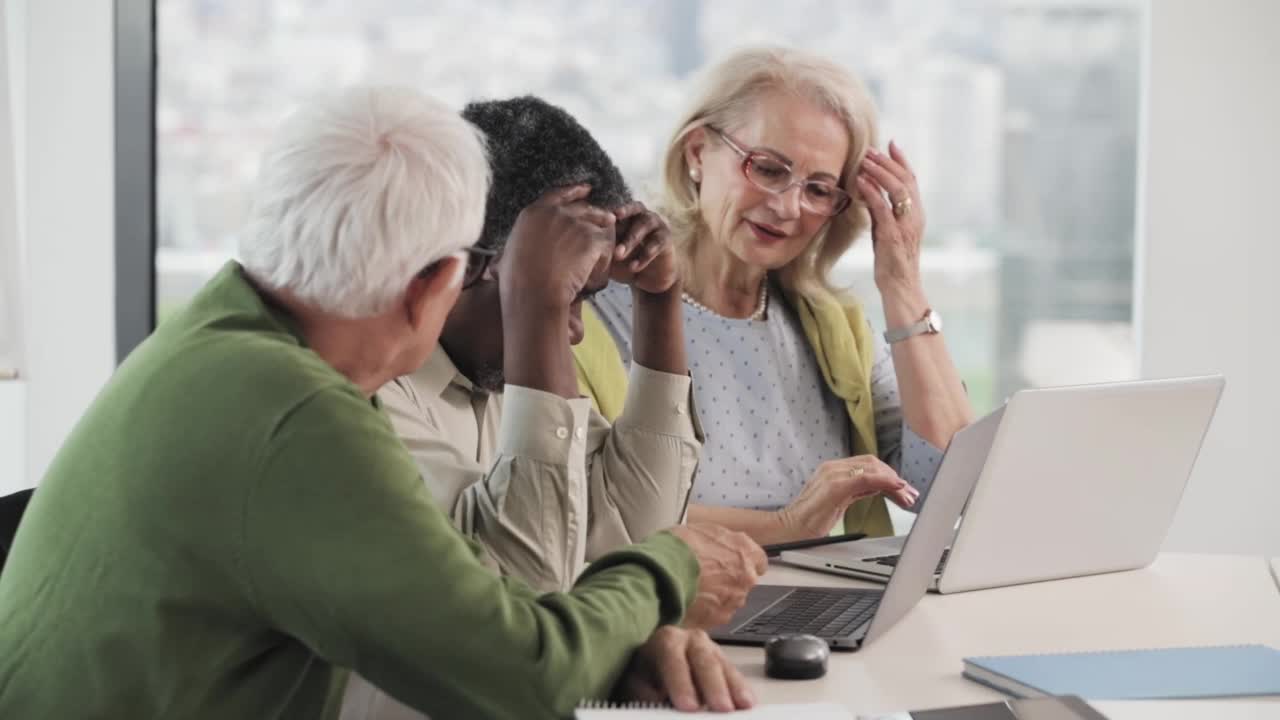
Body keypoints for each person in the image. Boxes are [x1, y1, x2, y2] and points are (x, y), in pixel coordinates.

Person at [0, 85, 763, 719]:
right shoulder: (297, 416)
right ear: (437, 284)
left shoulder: (222, 340)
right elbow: (519, 679)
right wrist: (671, 568)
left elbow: (483, 631)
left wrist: (614, 643)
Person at [574, 46, 975, 544]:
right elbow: (582, 512)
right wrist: (784, 528)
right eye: (767, 169)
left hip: (830, 616)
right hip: (669, 616)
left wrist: (902, 282)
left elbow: (952, 486)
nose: (788, 207)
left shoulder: (834, 328)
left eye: (819, 190)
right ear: (697, 152)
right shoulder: (587, 316)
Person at [377, 95, 707, 595]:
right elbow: (527, 589)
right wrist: (537, 308)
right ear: (467, 266)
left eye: (584, 301)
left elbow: (637, 532)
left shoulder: (505, 379)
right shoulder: (373, 394)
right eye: (564, 299)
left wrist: (658, 299)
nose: (572, 332)